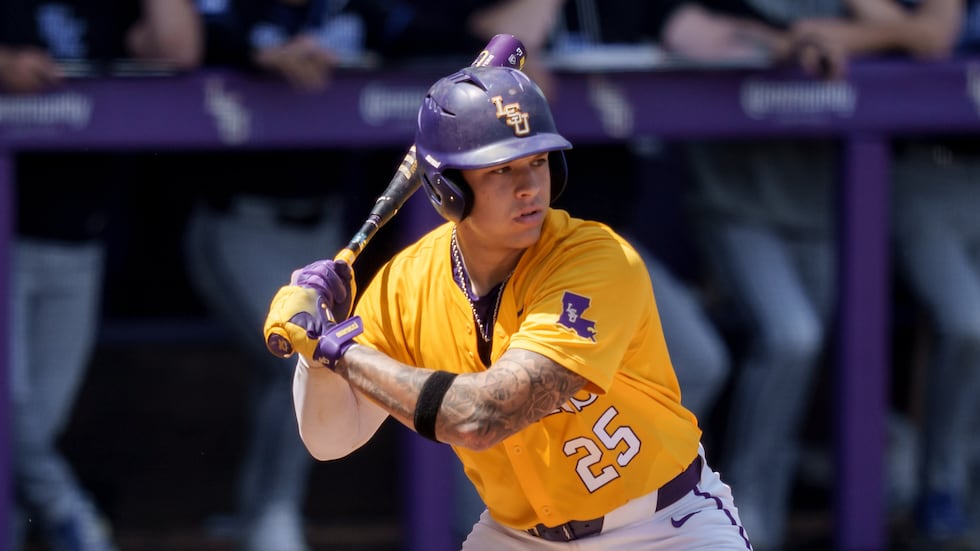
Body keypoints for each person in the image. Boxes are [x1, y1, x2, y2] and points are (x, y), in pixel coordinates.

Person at [263, 64, 750, 549]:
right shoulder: (407, 282)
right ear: (446, 189)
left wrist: (337, 349)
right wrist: (316, 354)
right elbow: (330, 441)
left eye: (538, 162)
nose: (529, 187)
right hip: (518, 537)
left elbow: (481, 418)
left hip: (663, 527)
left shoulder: (596, 260)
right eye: (500, 169)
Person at [1, 2, 201, 550]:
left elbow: (178, 51)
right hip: (6, 237)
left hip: (78, 235)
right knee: (9, 410)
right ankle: (73, 517)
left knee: (37, 420)